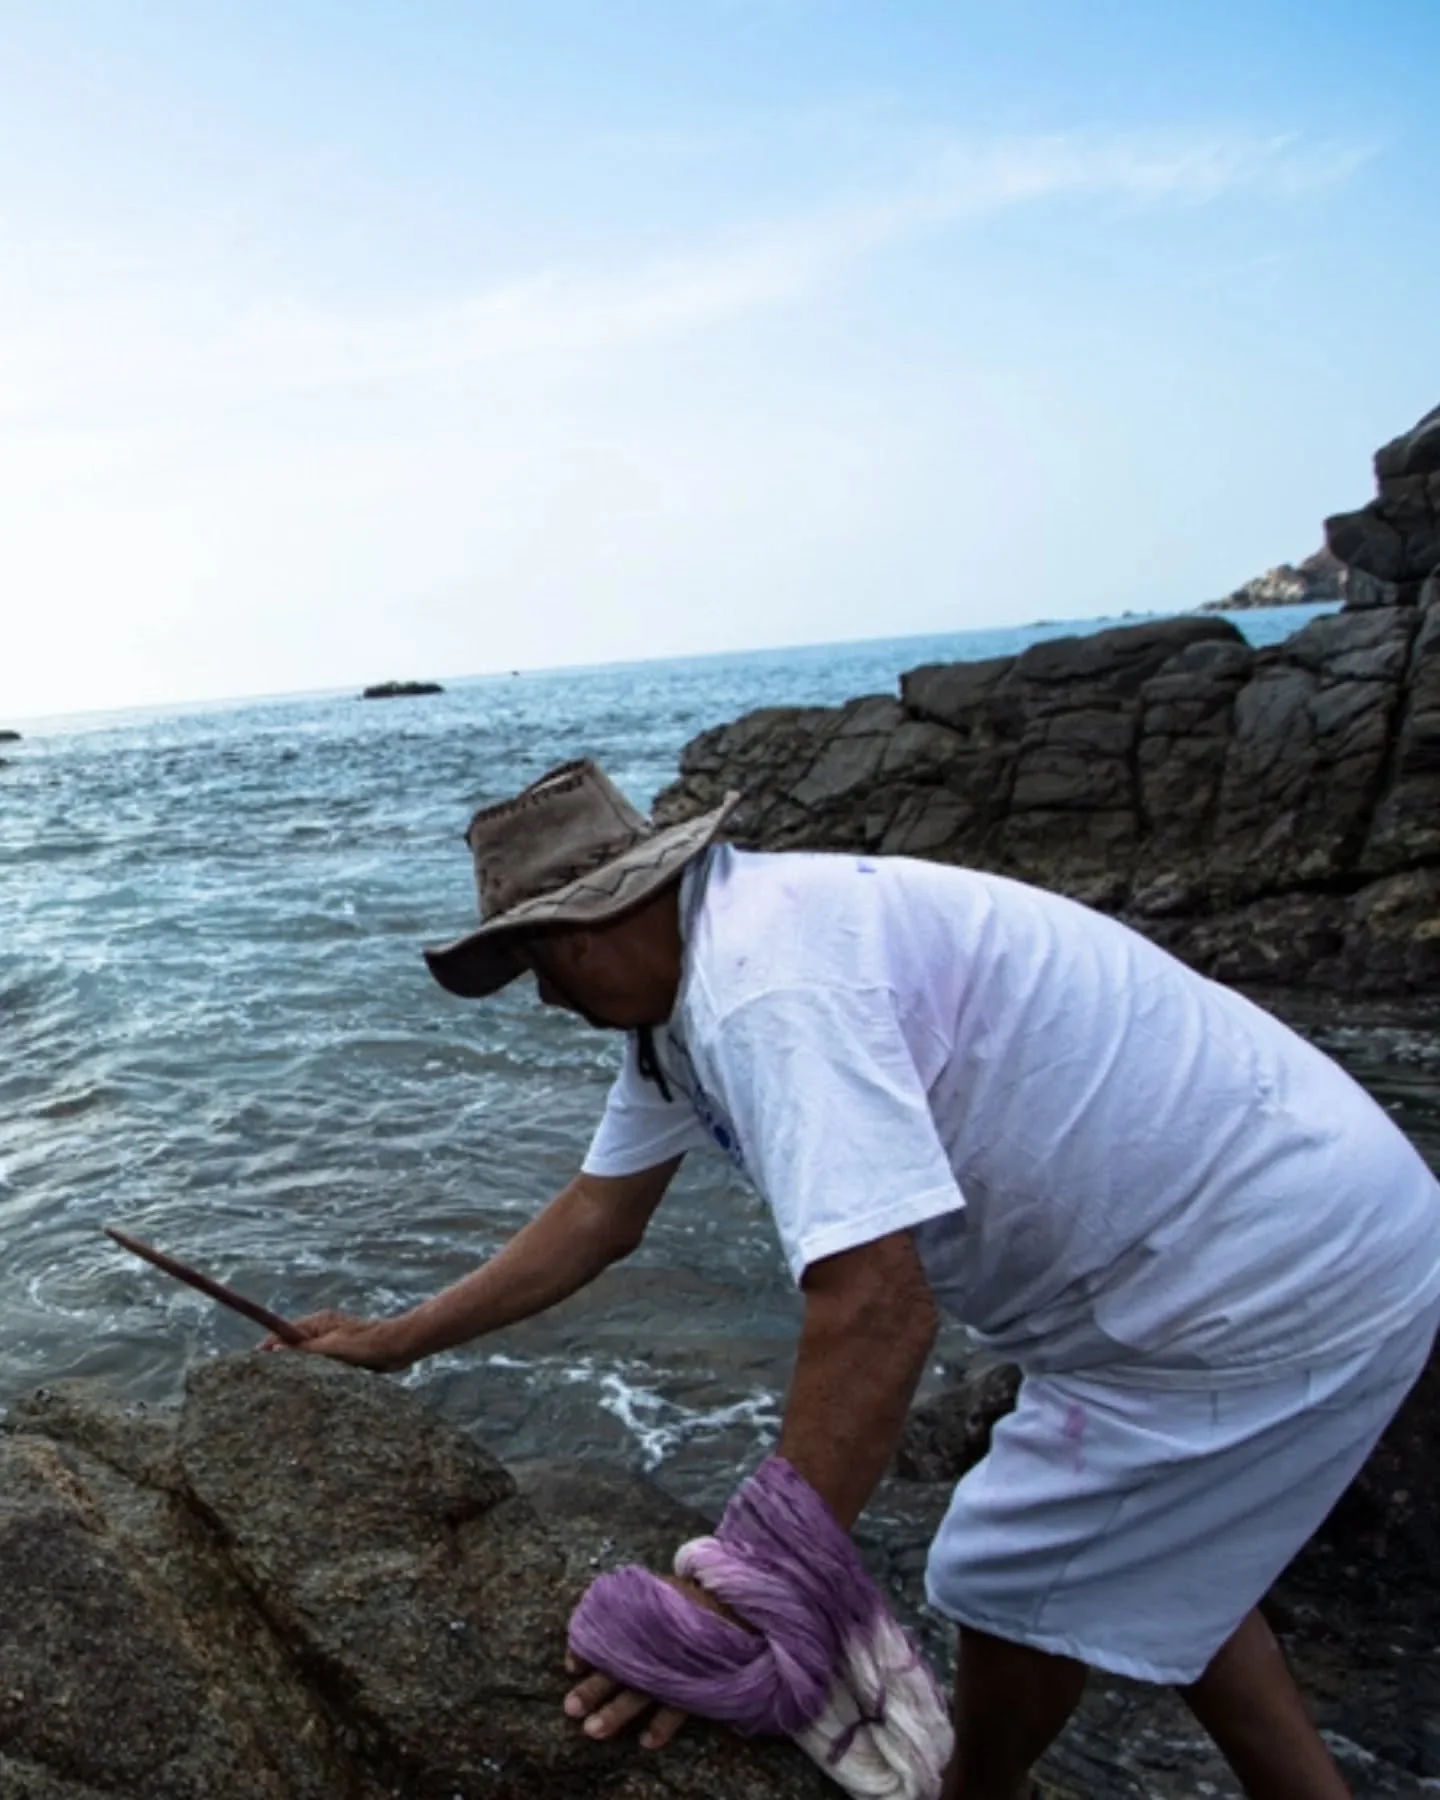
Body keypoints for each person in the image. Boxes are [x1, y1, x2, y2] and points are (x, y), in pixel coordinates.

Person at [272, 757, 1440, 1800]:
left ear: (587, 927)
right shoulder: (691, 987)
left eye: (535, 960)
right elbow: (598, 1216)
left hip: (1264, 1275)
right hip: (1261, 1235)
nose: (542, 997)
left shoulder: (769, 988)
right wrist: (397, 1338)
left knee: (1005, 1567)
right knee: (1156, 1561)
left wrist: (748, 1590)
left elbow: (878, 1305)